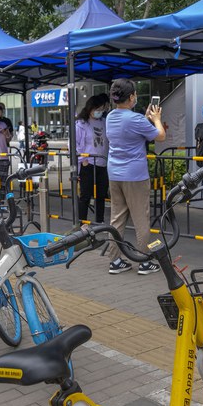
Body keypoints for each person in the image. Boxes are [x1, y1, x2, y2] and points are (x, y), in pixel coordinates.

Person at [105, 78, 166, 275]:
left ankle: (115, 260)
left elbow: (133, 130)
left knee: (117, 217)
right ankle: (144, 261)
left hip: (114, 173)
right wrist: (155, 119)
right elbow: (160, 135)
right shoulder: (135, 119)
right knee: (141, 218)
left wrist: (146, 118)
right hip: (135, 175)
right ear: (131, 97)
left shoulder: (110, 117)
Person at [75, 95, 110, 223]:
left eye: (102, 109)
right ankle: (82, 223)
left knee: (100, 195)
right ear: (91, 108)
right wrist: (83, 160)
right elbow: (73, 144)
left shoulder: (104, 122)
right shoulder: (81, 124)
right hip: (88, 164)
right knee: (85, 196)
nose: (99, 111)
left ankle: (99, 221)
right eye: (98, 108)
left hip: (102, 163)